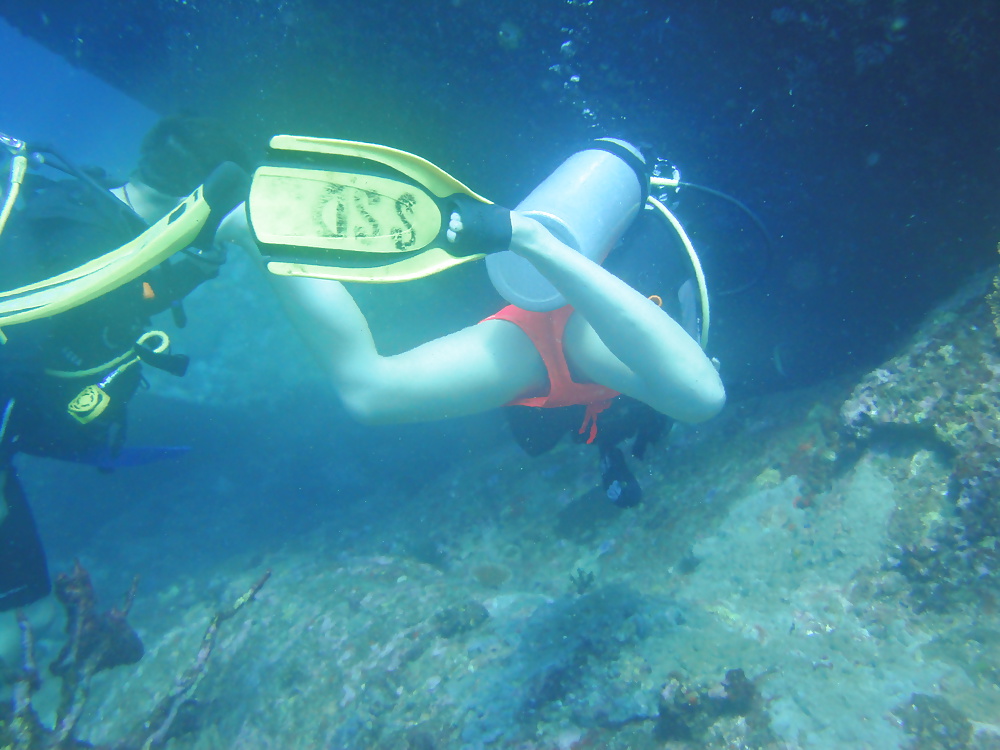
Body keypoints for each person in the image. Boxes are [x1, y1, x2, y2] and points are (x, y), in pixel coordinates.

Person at [0, 115, 252, 613]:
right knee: (15, 614)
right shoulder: (90, 240)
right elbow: (18, 357)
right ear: (206, 203)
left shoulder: (91, 211)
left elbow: (111, 297)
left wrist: (186, 275)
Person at [242, 197, 725, 442]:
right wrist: (528, 241)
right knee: (699, 399)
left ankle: (251, 226)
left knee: (371, 394)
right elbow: (700, 395)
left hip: (558, 331)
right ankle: (529, 238)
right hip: (581, 324)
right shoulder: (597, 343)